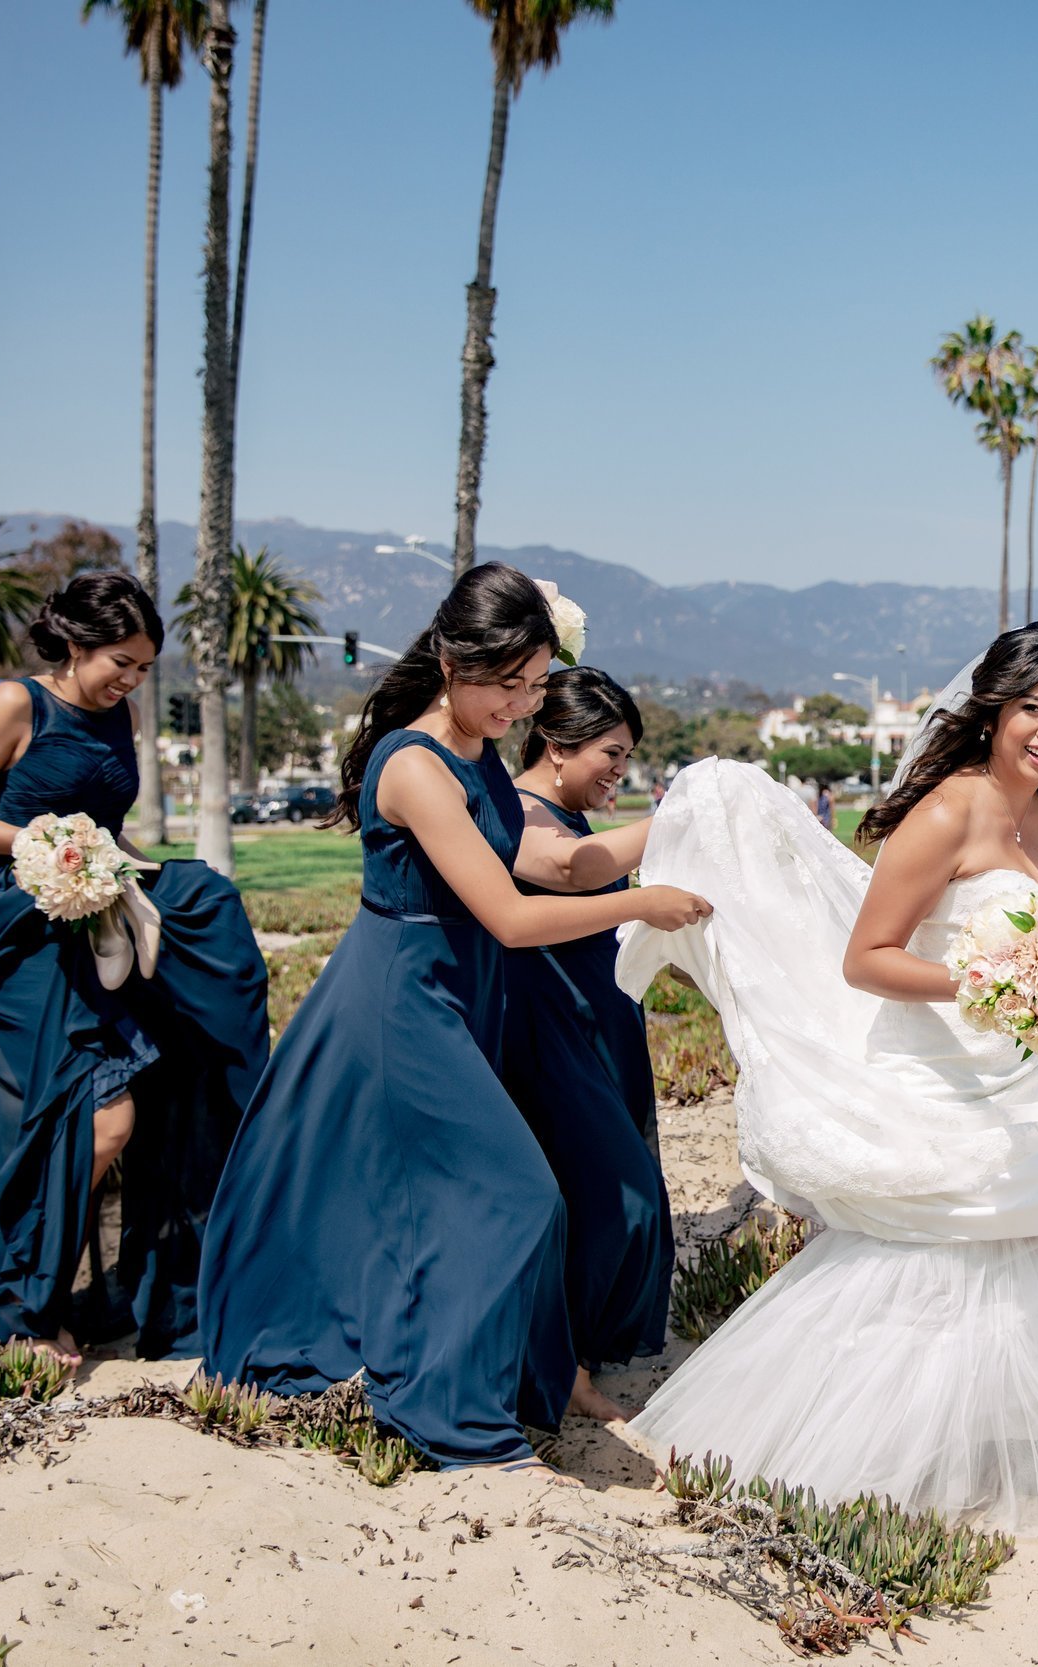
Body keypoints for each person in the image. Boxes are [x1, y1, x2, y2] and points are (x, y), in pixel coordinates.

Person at [617, 622, 1038, 1538]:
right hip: (939, 1076)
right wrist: (990, 985)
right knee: (937, 1270)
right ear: (993, 709)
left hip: (1030, 1080)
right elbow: (869, 958)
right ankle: (827, 1454)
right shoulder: (945, 812)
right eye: (1033, 709)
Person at [199, 565, 711, 1467]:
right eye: (506, 684)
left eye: (535, 684)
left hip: (463, 991)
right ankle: (450, 1407)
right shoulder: (413, 765)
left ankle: (524, 1376)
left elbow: (549, 865)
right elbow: (512, 919)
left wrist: (693, 829)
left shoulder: (476, 754)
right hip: (406, 998)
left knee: (443, 1193)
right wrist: (641, 904)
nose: (521, 704)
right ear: (449, 659)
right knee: (519, 1193)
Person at [0, 572, 269, 1364]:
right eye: (120, 661)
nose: (130, 680)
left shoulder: (120, 716)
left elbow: (109, 831)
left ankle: (44, 1293)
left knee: (104, 1116)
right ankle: (14, 1305)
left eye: (142, 666)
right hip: (16, 937)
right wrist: (50, 845)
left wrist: (145, 873)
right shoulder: (13, 705)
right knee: (91, 1122)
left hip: (93, 926)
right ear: (74, 643)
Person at [502, 667, 674, 1391]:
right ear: (555, 742)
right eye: (611, 751)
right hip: (551, 1032)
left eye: (628, 756)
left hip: (602, 1029)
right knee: (613, 1192)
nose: (620, 771)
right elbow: (573, 872)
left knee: (606, 1192)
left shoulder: (570, 816)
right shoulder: (515, 811)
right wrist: (687, 817)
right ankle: (559, 1365)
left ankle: (572, 1361)